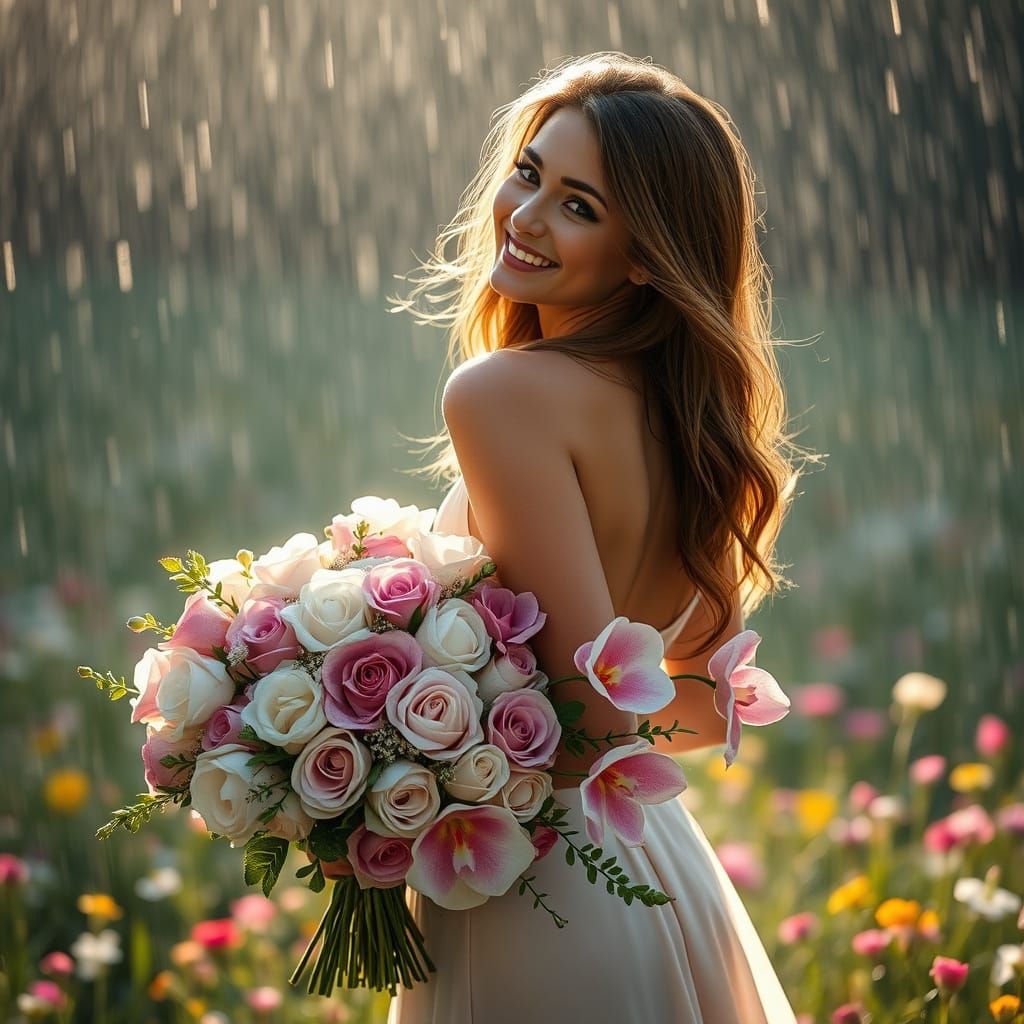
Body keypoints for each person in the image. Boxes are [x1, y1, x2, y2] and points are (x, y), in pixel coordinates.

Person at [365, 50, 814, 1022]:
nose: (524, 217)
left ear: (646, 252)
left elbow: (585, 716)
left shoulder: (501, 394)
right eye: (529, 173)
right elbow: (689, 711)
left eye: (579, 205)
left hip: (535, 904)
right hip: (654, 868)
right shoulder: (684, 416)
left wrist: (367, 752)